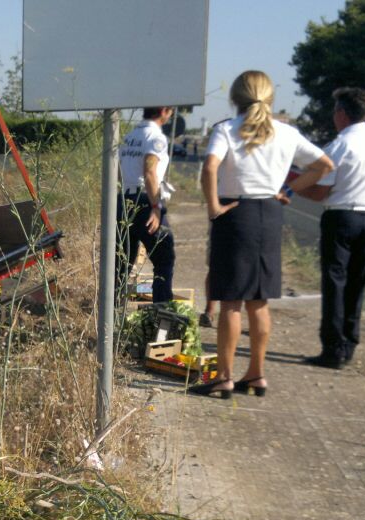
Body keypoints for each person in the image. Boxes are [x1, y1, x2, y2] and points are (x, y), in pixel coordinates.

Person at [190, 70, 334, 399]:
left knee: (230, 302)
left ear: (235, 98)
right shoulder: (286, 132)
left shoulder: (226, 129)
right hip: (269, 214)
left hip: (235, 213)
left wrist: (213, 206)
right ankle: (256, 373)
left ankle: (224, 376)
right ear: (270, 98)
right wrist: (289, 189)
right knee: (259, 301)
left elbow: (211, 166)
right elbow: (325, 165)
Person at [296, 87, 365, 369]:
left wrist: (294, 188)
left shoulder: (338, 147)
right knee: (357, 282)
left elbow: (320, 192)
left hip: (341, 217)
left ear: (341, 114)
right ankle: (350, 342)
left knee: (335, 283)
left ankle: (333, 347)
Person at [116, 106, 176, 306]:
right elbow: (150, 172)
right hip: (145, 201)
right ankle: (162, 315)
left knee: (121, 264)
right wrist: (156, 207)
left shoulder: (128, 137)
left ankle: (113, 317)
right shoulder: (155, 138)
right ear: (165, 111)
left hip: (124, 200)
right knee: (164, 259)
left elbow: (117, 172)